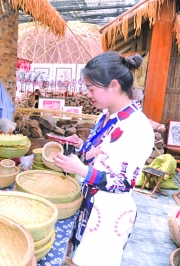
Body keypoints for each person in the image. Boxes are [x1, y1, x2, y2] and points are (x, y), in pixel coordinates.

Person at [53, 51, 154, 266]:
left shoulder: (137, 127)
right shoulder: (105, 116)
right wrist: (81, 146)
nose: (88, 94)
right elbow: (98, 155)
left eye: (91, 89)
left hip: (110, 215)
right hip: (90, 207)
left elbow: (124, 183)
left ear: (114, 85)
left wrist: (80, 170)